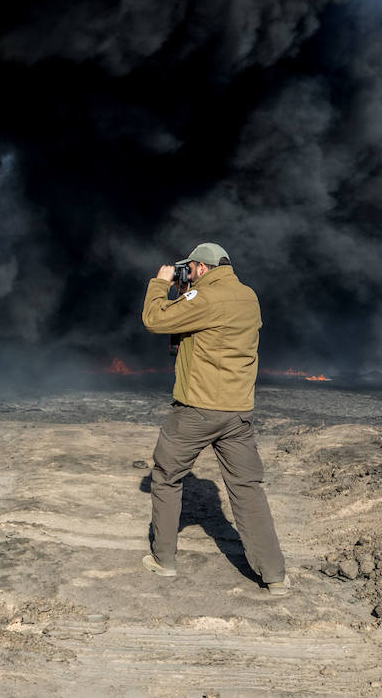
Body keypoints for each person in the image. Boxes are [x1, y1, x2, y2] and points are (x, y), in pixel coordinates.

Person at [139, 242, 288, 592]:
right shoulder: (248, 296)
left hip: (197, 410)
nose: (184, 273)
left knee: (165, 476)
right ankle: (274, 575)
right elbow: (201, 327)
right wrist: (185, 292)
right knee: (248, 489)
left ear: (201, 268)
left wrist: (160, 284)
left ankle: (164, 560)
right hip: (238, 412)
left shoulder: (204, 299)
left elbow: (155, 320)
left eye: (188, 269)